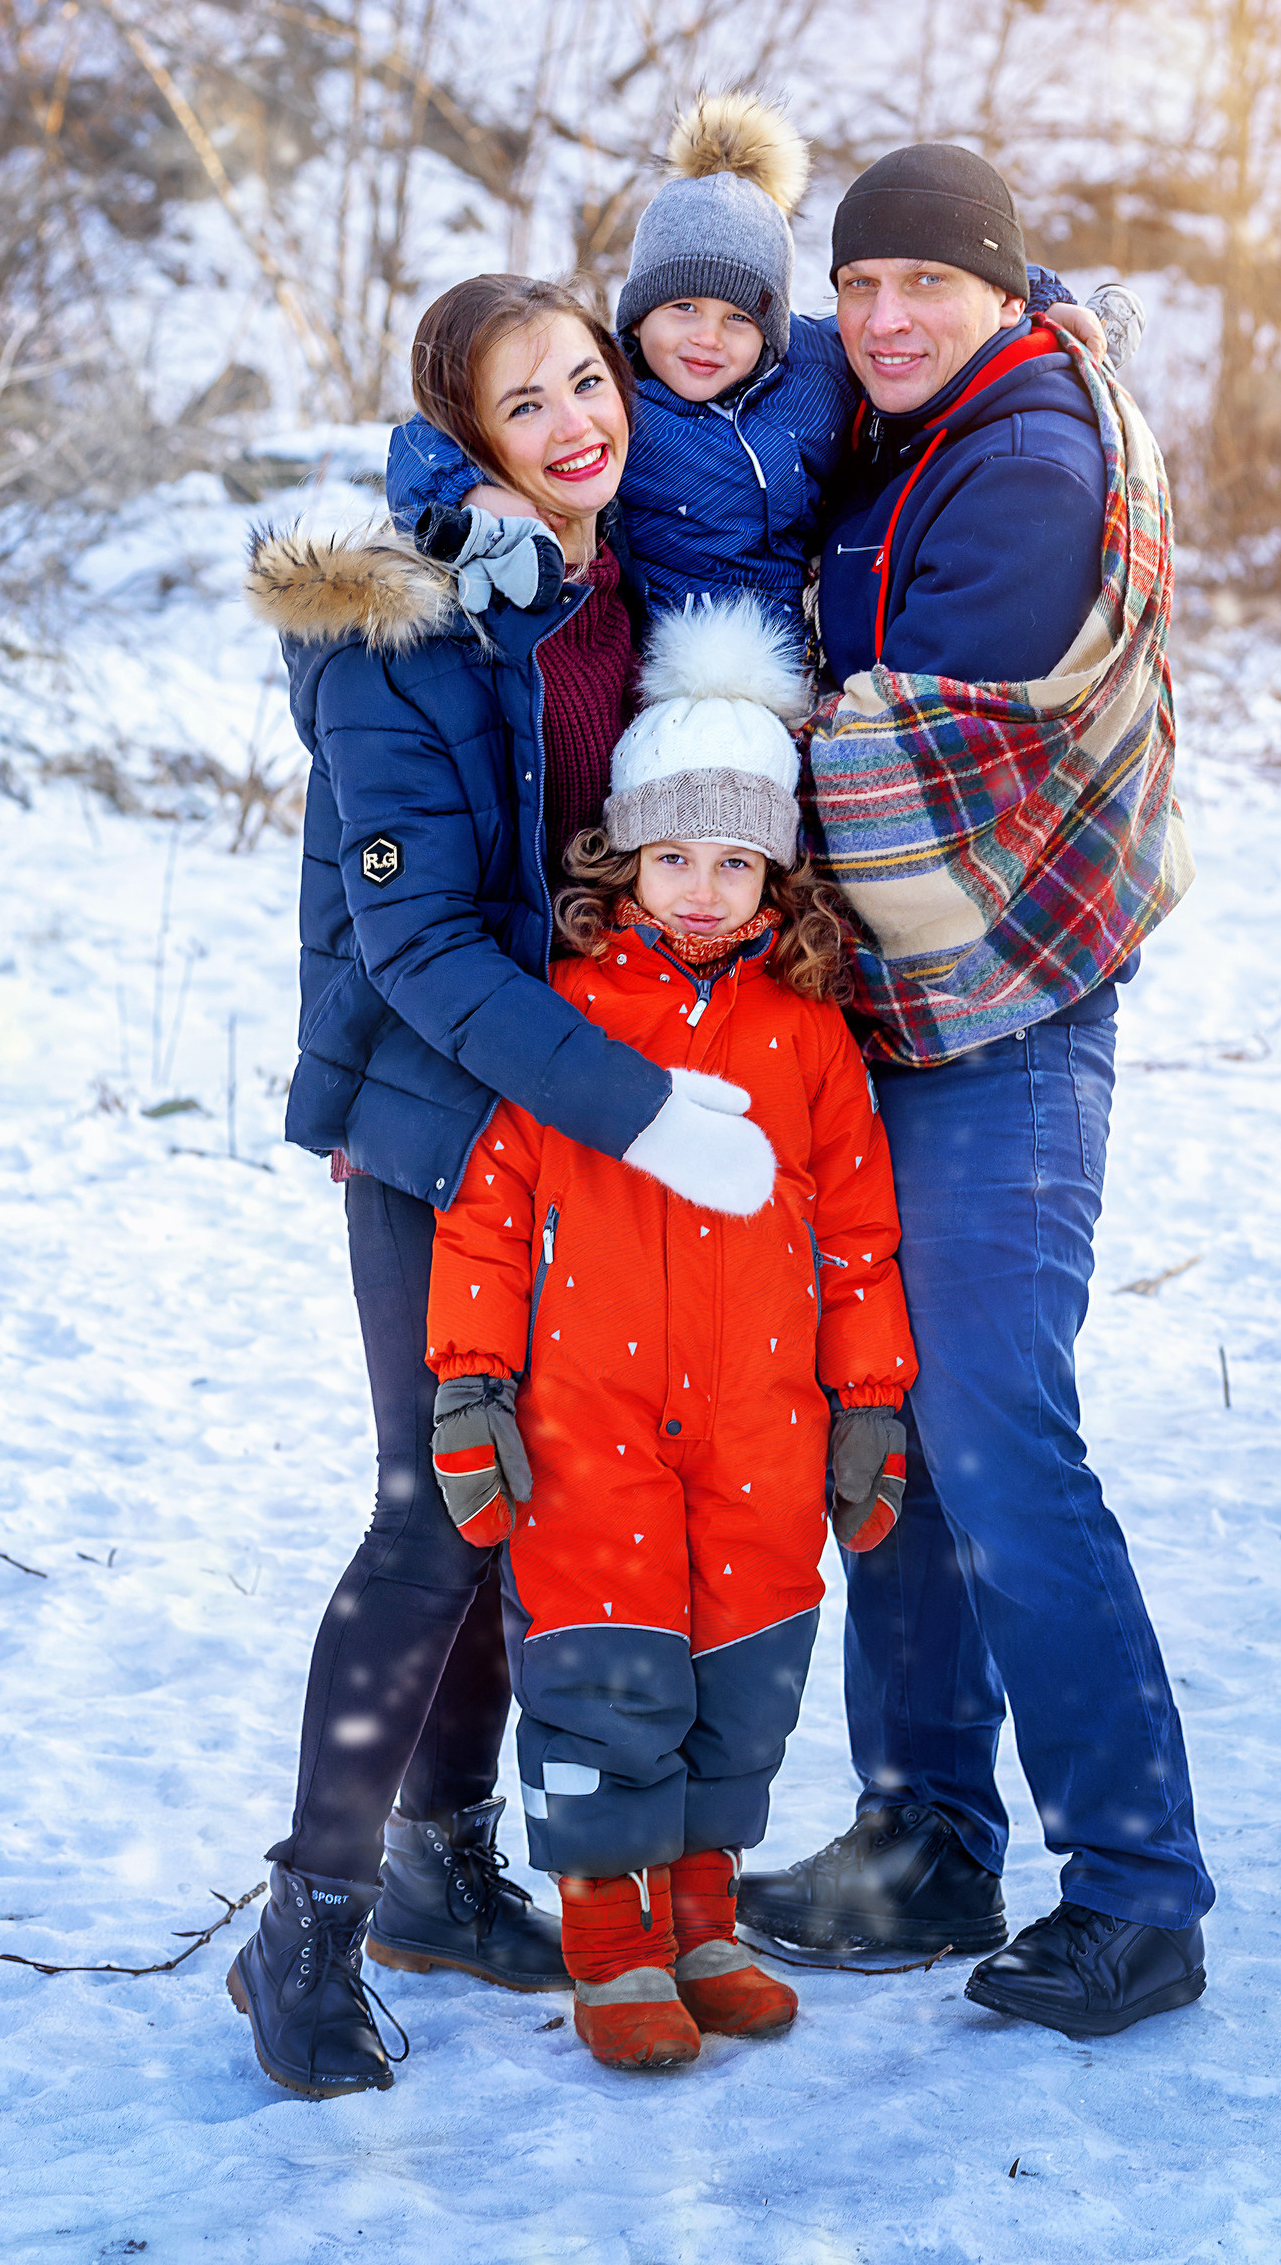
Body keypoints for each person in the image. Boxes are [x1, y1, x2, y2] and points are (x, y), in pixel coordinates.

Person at [233, 277, 781, 2101]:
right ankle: (301, 1923)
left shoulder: (614, 583)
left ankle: (438, 1867)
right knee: (433, 1511)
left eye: (584, 379)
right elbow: (418, 949)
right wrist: (637, 1107)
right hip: (434, 1119)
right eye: (520, 405)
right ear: (462, 441)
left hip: (572, 1128)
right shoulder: (398, 629)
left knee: (517, 1507)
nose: (572, 421)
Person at [734, 143, 1215, 2042]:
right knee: (895, 1424)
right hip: (893, 1015)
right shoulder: (900, 421)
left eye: (922, 285)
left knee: (997, 1429)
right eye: (854, 289)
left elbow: (908, 755)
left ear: (1004, 292)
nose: (879, 320)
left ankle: (1138, 1893)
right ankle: (927, 1833)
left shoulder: (1019, 460)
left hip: (1004, 1012)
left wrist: (713, 734)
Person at [422, 596, 918, 2071]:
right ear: (625, 855)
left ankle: (700, 1917)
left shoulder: (811, 1039)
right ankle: (609, 1939)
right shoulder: (565, 1024)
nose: (703, 888)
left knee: (742, 1672)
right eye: (674, 855)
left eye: (734, 858)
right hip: (591, 1421)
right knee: (602, 1672)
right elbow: (488, 1214)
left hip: (766, 1429)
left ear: (774, 867)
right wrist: (470, 1387)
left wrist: (870, 1403)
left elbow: (857, 1238)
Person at [384, 93, 1132, 638]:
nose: (707, 339)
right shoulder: (611, 398)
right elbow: (435, 434)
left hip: (792, 655)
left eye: (738, 318)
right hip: (664, 659)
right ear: (637, 316)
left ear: (771, 326)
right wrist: (476, 498)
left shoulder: (819, 366)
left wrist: (1042, 303)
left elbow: (946, 287)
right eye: (681, 310)